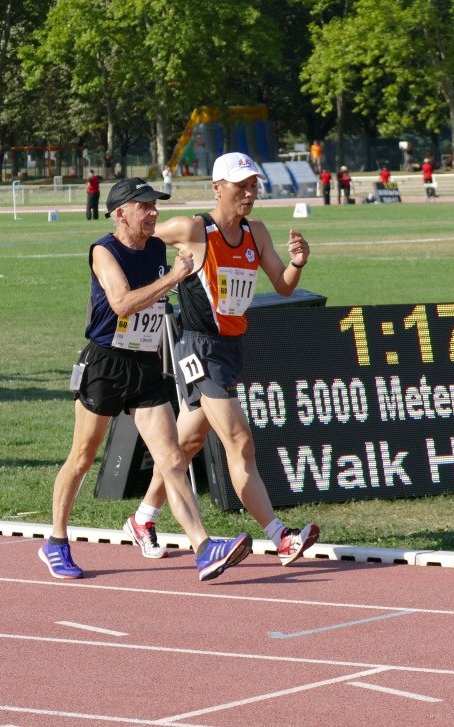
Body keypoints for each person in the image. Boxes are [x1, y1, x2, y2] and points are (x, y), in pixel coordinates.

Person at [41, 177, 252, 581]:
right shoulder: (104, 251)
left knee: (172, 459)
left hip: (145, 365)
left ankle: (205, 548)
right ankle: (56, 541)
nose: (154, 212)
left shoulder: (158, 247)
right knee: (83, 458)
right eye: (145, 206)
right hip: (105, 364)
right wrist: (173, 279)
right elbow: (121, 303)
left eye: (156, 205)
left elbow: (204, 247)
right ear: (121, 212)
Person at [125, 153, 319, 568]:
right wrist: (136, 285)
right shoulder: (193, 228)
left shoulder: (257, 232)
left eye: (254, 186)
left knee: (187, 444)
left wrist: (298, 264)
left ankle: (142, 518)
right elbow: (137, 236)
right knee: (239, 441)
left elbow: (283, 287)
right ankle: (280, 536)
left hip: (231, 349)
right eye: (240, 186)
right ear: (217, 188)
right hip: (197, 347)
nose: (249, 194)